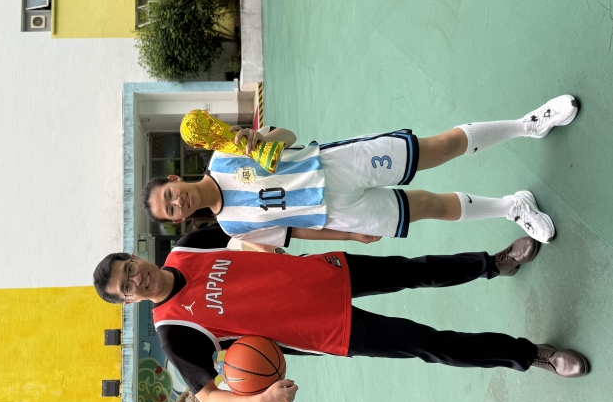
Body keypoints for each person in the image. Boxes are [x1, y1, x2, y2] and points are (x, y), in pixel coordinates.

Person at [92, 226, 589, 402]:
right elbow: (208, 397)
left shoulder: (189, 247)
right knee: (430, 343)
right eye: (125, 286)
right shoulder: (174, 331)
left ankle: (493, 264)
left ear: (134, 257)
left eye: (128, 268)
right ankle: (532, 354)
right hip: (325, 330)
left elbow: (261, 227)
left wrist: (338, 232)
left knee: (416, 270)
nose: (135, 279)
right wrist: (260, 399)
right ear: (129, 302)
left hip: (324, 272)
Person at [141, 96, 579, 249]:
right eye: (171, 211)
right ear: (180, 219)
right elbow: (294, 232)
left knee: (437, 149)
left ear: (174, 181)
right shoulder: (233, 227)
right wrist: (349, 236)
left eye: (169, 196)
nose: (177, 203)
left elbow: (288, 135)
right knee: (427, 207)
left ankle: (528, 125)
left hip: (336, 165)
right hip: (337, 214)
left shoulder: (224, 155)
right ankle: (512, 208)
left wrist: (258, 139)